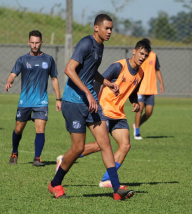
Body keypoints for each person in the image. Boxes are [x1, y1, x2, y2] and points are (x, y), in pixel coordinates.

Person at [48, 14, 134, 200]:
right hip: (73, 102)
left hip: (91, 103)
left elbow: (90, 70)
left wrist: (107, 83)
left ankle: (116, 188)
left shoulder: (100, 46)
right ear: (96, 28)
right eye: (106, 28)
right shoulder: (86, 43)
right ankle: (55, 183)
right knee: (78, 148)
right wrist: (87, 92)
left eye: (111, 28)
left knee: (105, 144)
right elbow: (69, 69)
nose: (110, 31)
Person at [55, 40, 151, 188]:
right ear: (134, 51)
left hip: (118, 113)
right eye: (141, 53)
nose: (143, 57)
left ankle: (106, 180)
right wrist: (92, 98)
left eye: (146, 55)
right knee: (100, 145)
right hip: (104, 110)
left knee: (125, 145)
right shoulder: (118, 66)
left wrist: (135, 101)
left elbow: (133, 90)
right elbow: (98, 80)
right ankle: (65, 159)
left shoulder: (141, 73)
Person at [5, 30, 61, 167]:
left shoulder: (48, 59)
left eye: (37, 42)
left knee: (40, 129)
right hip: (25, 101)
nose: (35, 45)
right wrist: (9, 81)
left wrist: (58, 99)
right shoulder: (22, 59)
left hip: (41, 101)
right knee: (18, 129)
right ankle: (14, 152)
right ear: (28, 42)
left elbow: (54, 79)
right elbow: (13, 74)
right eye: (32, 42)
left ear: (42, 42)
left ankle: (37, 158)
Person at [133, 38, 164, 140]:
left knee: (149, 112)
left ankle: (136, 124)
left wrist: (161, 83)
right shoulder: (139, 56)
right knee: (139, 109)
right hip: (141, 88)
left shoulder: (154, 56)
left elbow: (157, 70)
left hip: (151, 88)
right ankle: (137, 132)